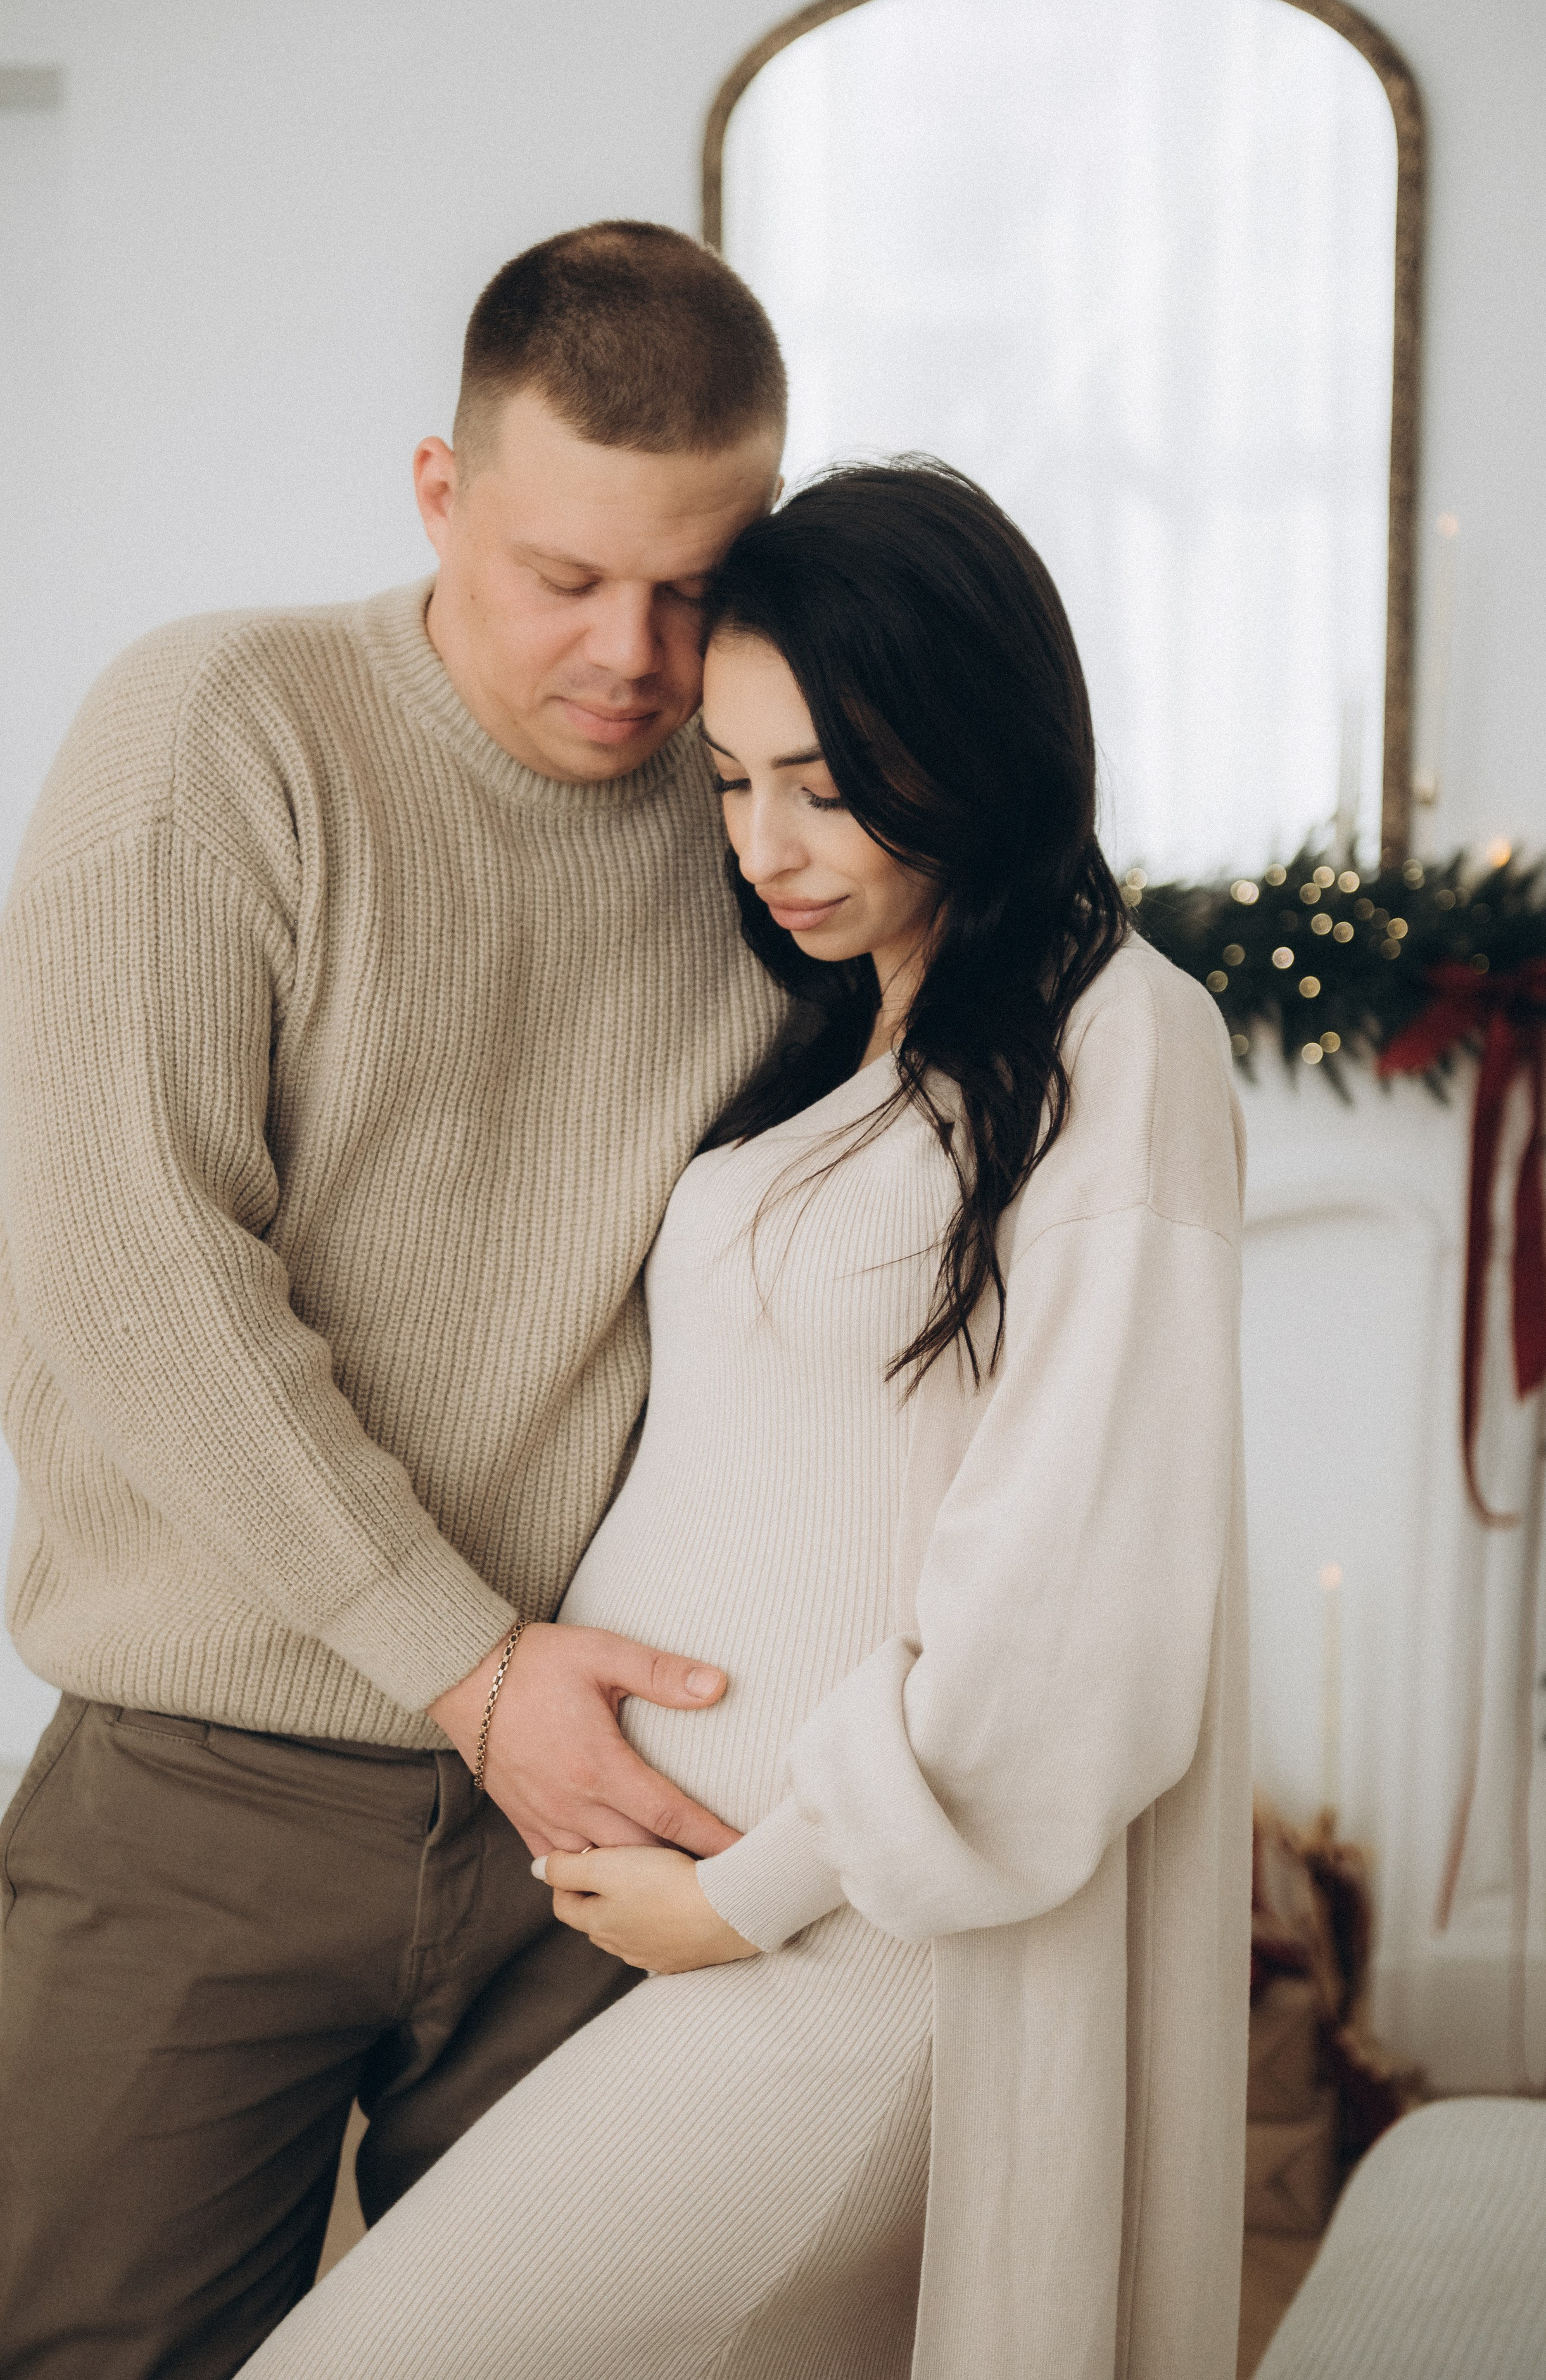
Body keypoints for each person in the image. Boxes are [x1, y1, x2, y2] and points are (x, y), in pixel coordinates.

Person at [241, 460, 1251, 2380]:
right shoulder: (843, 1036)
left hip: (859, 1954)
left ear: (975, 748)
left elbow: (1078, 1613)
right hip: (688, 1924)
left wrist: (746, 1893)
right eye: (730, 780)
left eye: (827, 784)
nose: (767, 844)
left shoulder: (1123, 1035)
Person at [0, 221, 797, 2378]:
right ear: (441, 493)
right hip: (207, 1787)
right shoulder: (216, 728)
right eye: (566, 574)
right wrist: (465, 1661)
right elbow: (127, 1262)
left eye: (697, 583)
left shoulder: (764, 810)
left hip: (607, 1801)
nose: (635, 655)